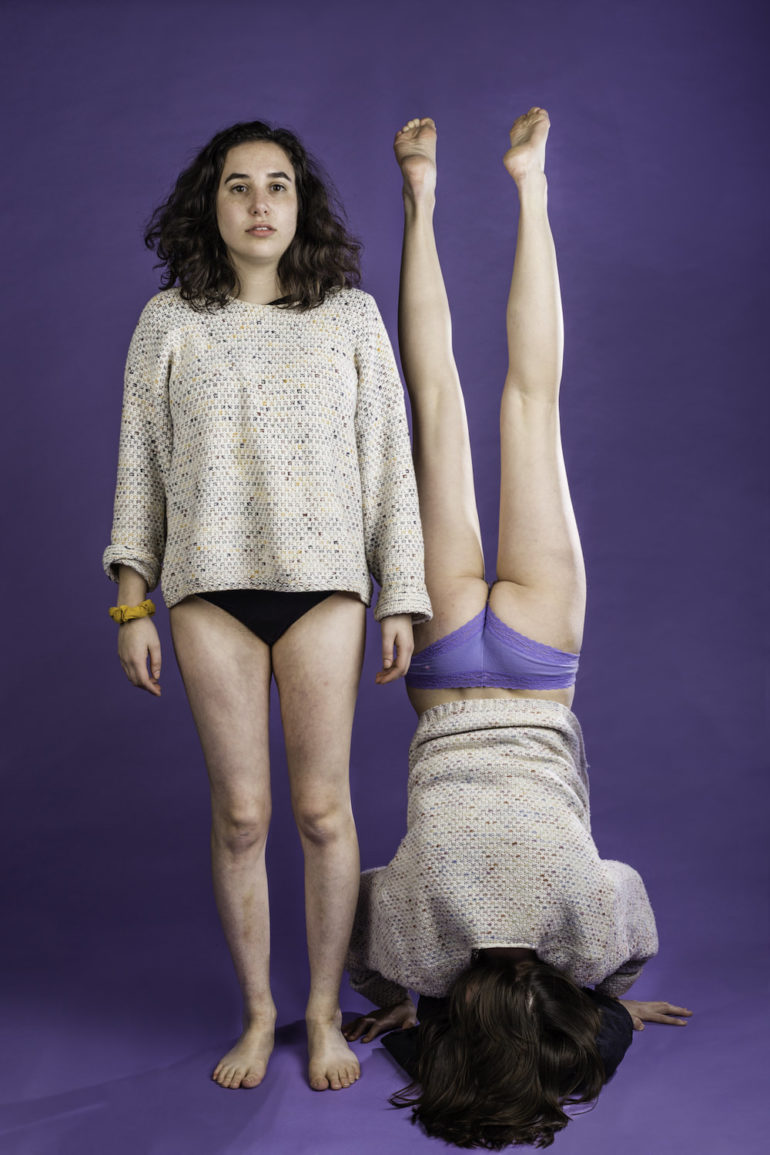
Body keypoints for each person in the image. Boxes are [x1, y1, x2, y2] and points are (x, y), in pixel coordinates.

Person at [343, 110, 691, 1146]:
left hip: (537, 675)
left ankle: (530, 181)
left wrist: (610, 1002)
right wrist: (399, 1005)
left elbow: (631, 911)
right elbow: (358, 913)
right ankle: (420, 193)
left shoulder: (584, 937)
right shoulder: (417, 950)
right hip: (446, 678)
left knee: (530, 403)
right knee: (436, 404)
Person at [102, 119, 431, 1093]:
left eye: (277, 184)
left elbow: (390, 464)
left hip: (325, 588)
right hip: (208, 591)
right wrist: (131, 601)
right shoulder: (168, 321)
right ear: (211, 205)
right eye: (238, 185)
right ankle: (257, 1012)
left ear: (300, 203)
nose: (258, 203)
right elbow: (140, 463)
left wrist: (401, 594)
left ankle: (323, 1013)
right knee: (243, 815)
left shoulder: (350, 317)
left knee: (322, 810)